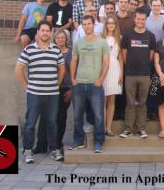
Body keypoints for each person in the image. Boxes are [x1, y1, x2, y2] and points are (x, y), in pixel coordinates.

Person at [14, 21, 65, 163]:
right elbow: (18, 69)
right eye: (42, 30)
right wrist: (27, 86)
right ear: (38, 32)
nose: (45, 33)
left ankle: (54, 150)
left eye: (47, 31)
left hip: (52, 94)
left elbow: (62, 68)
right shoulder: (29, 49)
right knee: (30, 123)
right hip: (34, 93)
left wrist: (58, 83)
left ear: (50, 33)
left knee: (52, 123)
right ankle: (28, 151)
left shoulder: (56, 49)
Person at [69, 15, 109, 153]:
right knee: (77, 116)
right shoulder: (78, 42)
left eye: (89, 23)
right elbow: (74, 61)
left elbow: (106, 62)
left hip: (95, 85)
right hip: (79, 84)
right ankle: (78, 140)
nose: (87, 26)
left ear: (94, 25)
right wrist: (73, 79)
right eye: (84, 24)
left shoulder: (102, 42)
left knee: (98, 116)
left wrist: (101, 79)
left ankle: (99, 142)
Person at [31, 29, 74, 155]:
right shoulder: (50, 51)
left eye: (63, 37)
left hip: (65, 89)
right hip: (49, 88)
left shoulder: (71, 53)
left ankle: (57, 143)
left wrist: (72, 89)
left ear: (66, 39)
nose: (61, 39)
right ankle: (41, 145)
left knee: (60, 117)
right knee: (45, 117)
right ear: (54, 39)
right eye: (58, 38)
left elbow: (74, 72)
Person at [119, 8, 156, 139]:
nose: (140, 21)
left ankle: (141, 128)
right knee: (129, 102)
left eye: (143, 19)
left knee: (142, 102)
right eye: (138, 19)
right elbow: (124, 56)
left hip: (145, 74)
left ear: (145, 20)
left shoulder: (151, 36)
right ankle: (128, 128)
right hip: (130, 74)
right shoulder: (127, 36)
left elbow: (150, 56)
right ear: (134, 19)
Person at [101, 16, 123, 136]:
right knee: (103, 100)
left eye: (113, 23)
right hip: (103, 69)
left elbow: (120, 58)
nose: (110, 25)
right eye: (109, 23)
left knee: (112, 100)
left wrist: (121, 74)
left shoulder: (119, 38)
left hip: (115, 69)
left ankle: (108, 127)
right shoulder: (101, 38)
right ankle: (102, 126)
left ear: (116, 25)